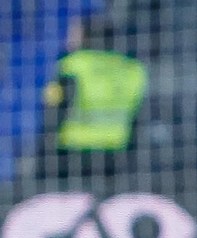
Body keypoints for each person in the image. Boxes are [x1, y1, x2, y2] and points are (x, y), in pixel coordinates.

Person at [44, 18, 146, 182]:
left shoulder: (73, 64)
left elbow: (57, 108)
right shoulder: (132, 69)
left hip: (73, 152)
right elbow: (139, 114)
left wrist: (46, 144)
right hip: (116, 151)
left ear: (85, 36)